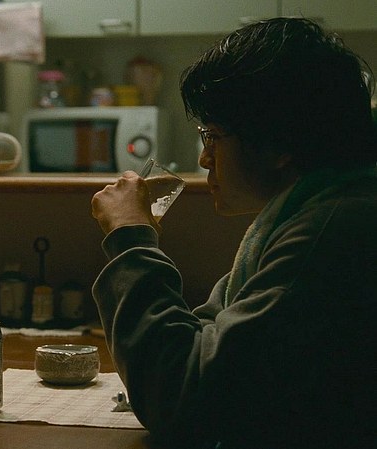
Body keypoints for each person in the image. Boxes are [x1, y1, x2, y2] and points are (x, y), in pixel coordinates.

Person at [90, 18, 376, 449]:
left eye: (214, 136)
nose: (204, 158)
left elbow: (179, 397)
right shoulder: (307, 215)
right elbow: (206, 340)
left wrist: (130, 238)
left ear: (279, 142)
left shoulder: (332, 233)